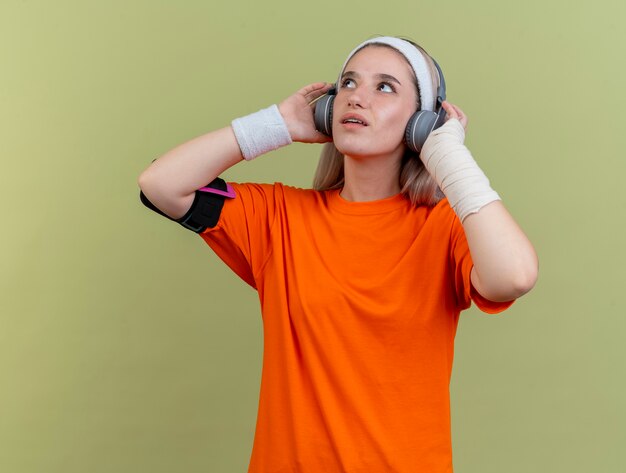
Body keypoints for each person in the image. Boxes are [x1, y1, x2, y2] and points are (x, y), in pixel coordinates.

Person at [138, 36, 538, 473]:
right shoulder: (280, 219)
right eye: (348, 83)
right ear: (328, 109)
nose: (357, 97)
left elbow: (514, 275)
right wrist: (275, 126)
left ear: (421, 122)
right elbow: (161, 184)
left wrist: (447, 155)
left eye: (385, 87)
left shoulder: (443, 227)